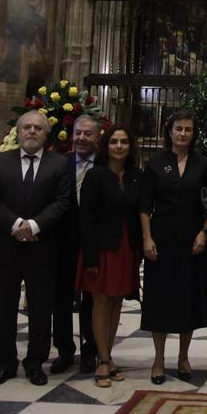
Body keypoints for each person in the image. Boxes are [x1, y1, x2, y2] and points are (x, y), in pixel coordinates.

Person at [0, 110, 75, 386]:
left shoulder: (59, 164)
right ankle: (6, 363)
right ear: (18, 132)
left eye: (37, 128)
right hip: (6, 247)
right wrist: (17, 224)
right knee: (5, 308)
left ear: (46, 134)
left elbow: (63, 201)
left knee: (41, 309)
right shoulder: (0, 161)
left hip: (42, 248)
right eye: (27, 127)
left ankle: (35, 362)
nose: (32, 132)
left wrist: (35, 226)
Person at [140, 110, 207, 384]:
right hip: (161, 240)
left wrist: (204, 233)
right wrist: (147, 238)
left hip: (193, 241)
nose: (183, 133)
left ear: (193, 134)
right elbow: (144, 207)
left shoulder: (202, 164)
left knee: (188, 301)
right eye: (178, 129)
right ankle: (159, 360)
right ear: (169, 132)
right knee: (160, 301)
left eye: (188, 129)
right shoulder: (156, 164)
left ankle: (183, 356)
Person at [79, 124, 142, 388]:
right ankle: (102, 359)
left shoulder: (134, 176)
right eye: (114, 142)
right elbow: (86, 217)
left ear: (130, 147)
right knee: (100, 302)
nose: (119, 146)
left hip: (126, 247)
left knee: (117, 302)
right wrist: (90, 256)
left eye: (124, 142)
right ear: (106, 146)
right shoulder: (96, 175)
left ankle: (109, 354)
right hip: (102, 248)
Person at [52, 117, 98, 375]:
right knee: (61, 298)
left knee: (91, 299)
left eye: (87, 134)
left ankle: (90, 350)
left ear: (97, 137)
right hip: (63, 241)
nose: (81, 138)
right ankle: (64, 350)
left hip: (93, 244)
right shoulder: (60, 163)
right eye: (78, 133)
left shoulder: (103, 165)